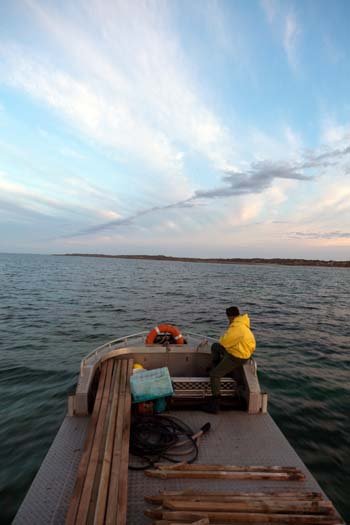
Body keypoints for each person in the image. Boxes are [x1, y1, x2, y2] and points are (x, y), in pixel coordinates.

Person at [204, 306, 256, 413]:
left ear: (230, 316)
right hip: (242, 352)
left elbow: (224, 341)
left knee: (214, 375)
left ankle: (215, 404)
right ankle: (218, 365)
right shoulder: (242, 324)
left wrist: (229, 328)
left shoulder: (237, 327)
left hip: (237, 357)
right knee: (215, 347)